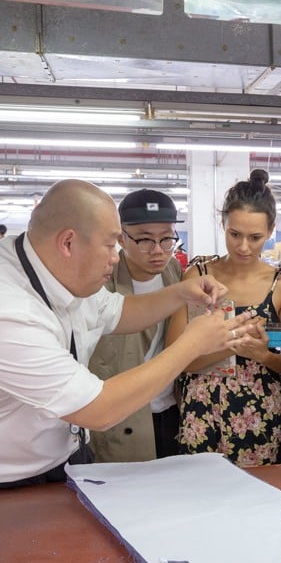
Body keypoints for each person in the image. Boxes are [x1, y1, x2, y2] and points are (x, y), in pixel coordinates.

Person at [0, 179, 249, 493]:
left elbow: (117, 312)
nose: (117, 258)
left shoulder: (47, 264)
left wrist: (180, 293)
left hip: (56, 456)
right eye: (112, 244)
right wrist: (192, 345)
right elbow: (98, 409)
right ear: (68, 242)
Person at [167, 169, 281, 466]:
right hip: (202, 413)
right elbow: (175, 358)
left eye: (255, 238)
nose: (243, 247)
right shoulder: (199, 277)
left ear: (271, 230)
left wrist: (264, 353)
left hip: (259, 417)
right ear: (223, 223)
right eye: (235, 234)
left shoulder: (279, 288)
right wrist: (229, 343)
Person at [88, 188, 185, 462]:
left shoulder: (175, 274)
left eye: (167, 239)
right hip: (121, 418)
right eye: (144, 240)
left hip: (169, 411)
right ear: (121, 238)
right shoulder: (99, 286)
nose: (157, 251)